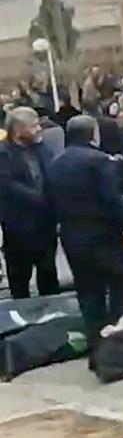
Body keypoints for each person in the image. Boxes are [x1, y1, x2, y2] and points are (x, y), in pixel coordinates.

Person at [44, 115, 123, 352]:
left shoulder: (55, 163)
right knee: (122, 284)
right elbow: (111, 198)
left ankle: (96, 343)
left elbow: (48, 200)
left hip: (72, 235)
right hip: (103, 233)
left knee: (88, 291)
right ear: (93, 133)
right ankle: (120, 336)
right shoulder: (99, 160)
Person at [0, 107, 59, 298]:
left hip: (45, 224)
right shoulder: (4, 153)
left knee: (48, 274)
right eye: (33, 126)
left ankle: (52, 309)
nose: (39, 129)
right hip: (19, 225)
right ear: (18, 130)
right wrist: (38, 199)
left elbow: (52, 170)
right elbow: (8, 185)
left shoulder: (41, 148)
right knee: (20, 277)